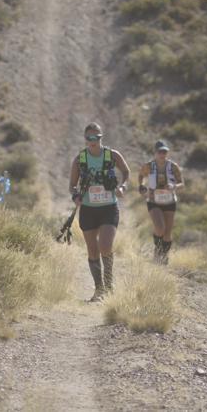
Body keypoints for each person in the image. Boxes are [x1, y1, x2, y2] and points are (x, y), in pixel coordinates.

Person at [69, 122, 131, 302]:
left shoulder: (112, 155)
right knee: (92, 251)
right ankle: (99, 290)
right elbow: (72, 185)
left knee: (105, 246)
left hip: (108, 208)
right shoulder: (80, 159)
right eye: (89, 138)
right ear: (85, 139)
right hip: (88, 210)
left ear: (101, 137)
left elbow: (126, 172)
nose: (92, 141)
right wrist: (75, 197)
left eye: (96, 137)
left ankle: (109, 284)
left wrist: (123, 186)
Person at [137, 139, 184, 265]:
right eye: (160, 152)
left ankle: (163, 257)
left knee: (167, 233)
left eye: (164, 152)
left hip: (169, 201)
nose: (162, 154)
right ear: (155, 152)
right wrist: (141, 186)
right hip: (153, 201)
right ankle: (157, 250)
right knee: (160, 228)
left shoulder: (173, 167)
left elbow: (182, 184)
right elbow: (141, 175)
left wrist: (174, 186)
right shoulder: (148, 166)